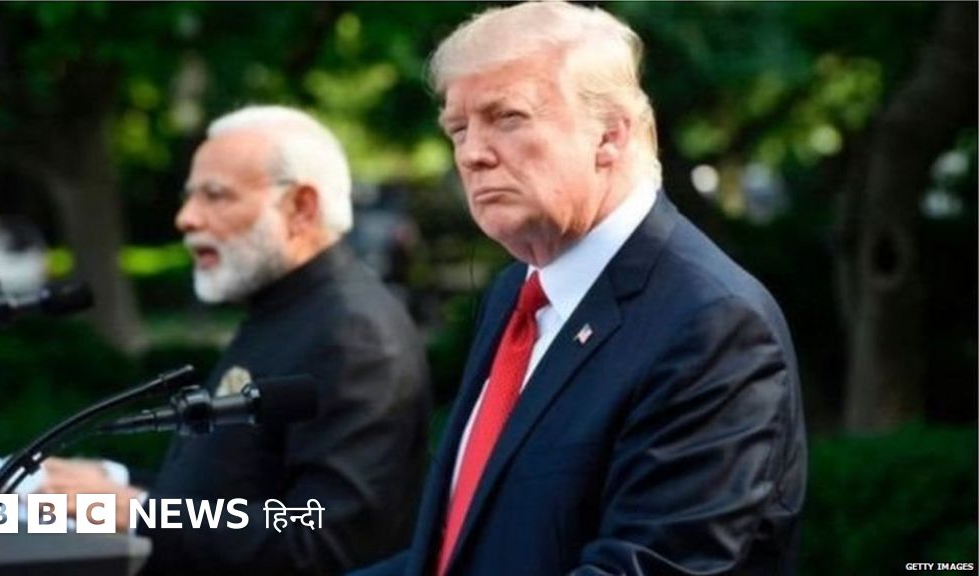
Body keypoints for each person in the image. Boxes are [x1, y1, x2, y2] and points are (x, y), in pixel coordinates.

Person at [354, 3, 806, 576]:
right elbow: (458, 551)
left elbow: (651, 564)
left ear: (609, 135)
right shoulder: (516, 293)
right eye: (458, 129)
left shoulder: (712, 322)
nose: (472, 153)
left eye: (507, 117)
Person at [39, 105, 431, 575]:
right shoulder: (288, 307)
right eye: (189, 197)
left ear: (300, 208)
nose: (186, 218)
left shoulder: (354, 334)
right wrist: (115, 483)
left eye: (215, 195)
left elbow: (319, 536)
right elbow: (235, 490)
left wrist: (139, 512)